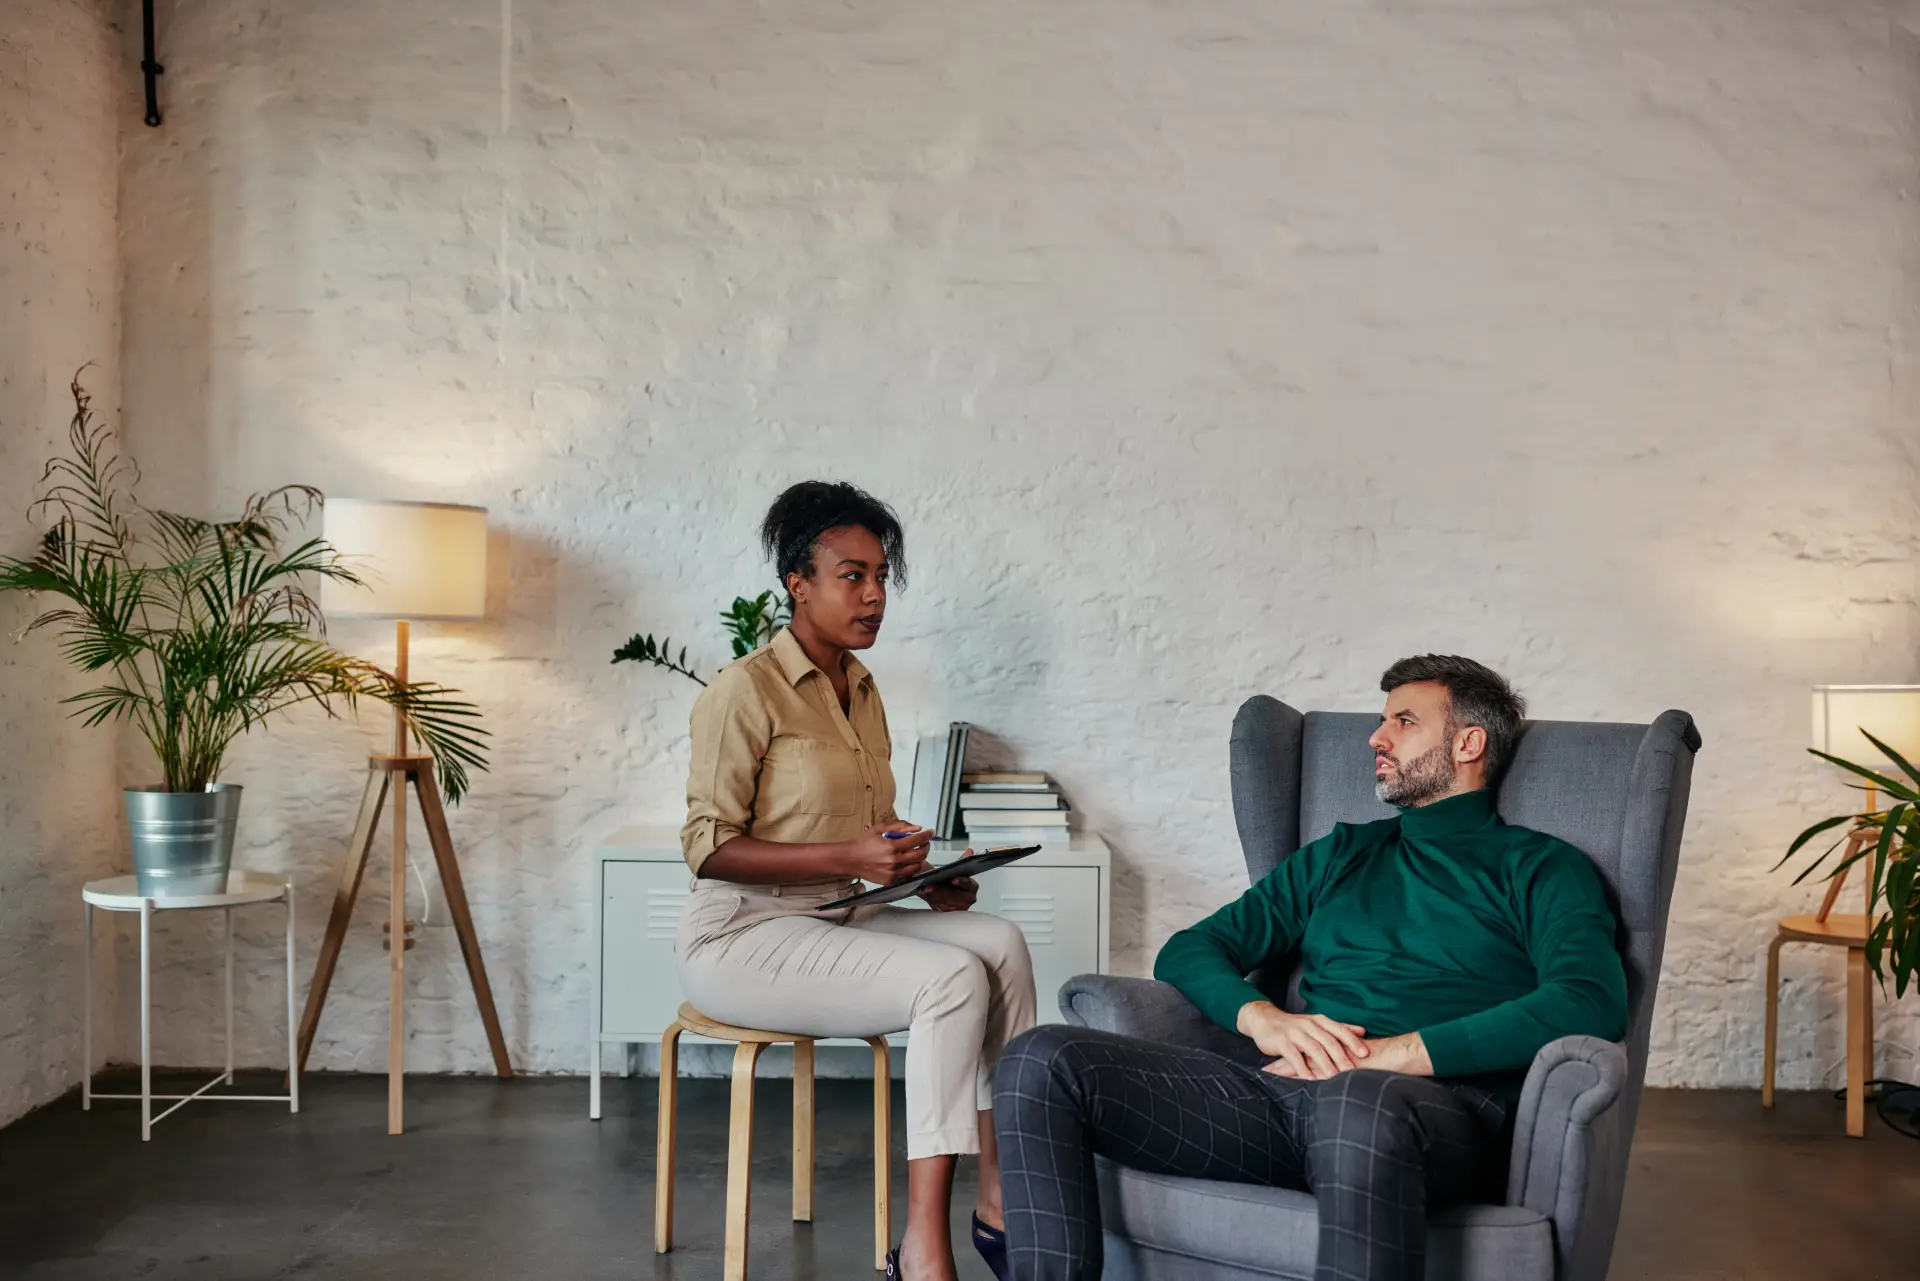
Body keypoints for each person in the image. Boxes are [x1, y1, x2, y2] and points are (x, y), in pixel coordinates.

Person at [992, 656, 1629, 1281]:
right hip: (1282, 1096)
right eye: (1384, 721)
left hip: (1430, 1113)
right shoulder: (1344, 853)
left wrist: (1383, 1056)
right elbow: (1190, 949)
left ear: (1469, 743)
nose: (1376, 738)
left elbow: (1588, 999)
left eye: (1403, 722)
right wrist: (1264, 1019)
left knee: (1358, 1100)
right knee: (1040, 1059)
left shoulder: (1542, 868)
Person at [677, 480, 1036, 1281]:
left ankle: (1003, 1200)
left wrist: (920, 874)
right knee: (948, 978)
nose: (874, 595)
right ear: (797, 582)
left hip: (843, 916)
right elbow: (708, 847)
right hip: (742, 933)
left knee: (1001, 942)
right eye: (852, 575)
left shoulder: (862, 688)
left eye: (880, 576)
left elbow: (864, 835)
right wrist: (852, 855)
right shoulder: (744, 691)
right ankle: (922, 1247)